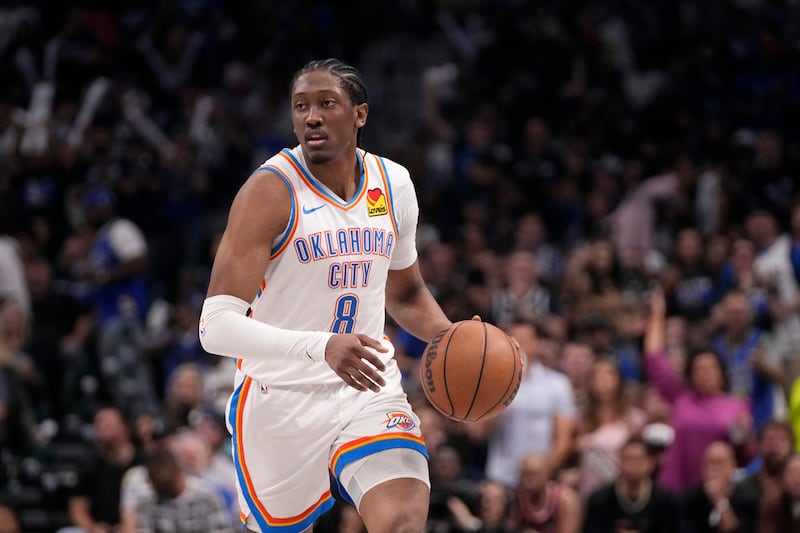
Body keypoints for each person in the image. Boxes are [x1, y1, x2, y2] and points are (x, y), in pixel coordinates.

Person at [198, 58, 457, 533]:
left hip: (368, 386)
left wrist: (454, 339)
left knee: (402, 521)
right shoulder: (269, 191)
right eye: (301, 106)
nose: (311, 117)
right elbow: (214, 327)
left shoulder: (392, 184)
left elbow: (406, 293)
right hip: (281, 398)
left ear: (360, 114)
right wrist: (323, 347)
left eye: (326, 103)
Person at [644, 287, 754, 492]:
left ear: (722, 374)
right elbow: (654, 357)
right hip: (676, 489)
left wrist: (745, 438)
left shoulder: (738, 406)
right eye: (699, 369)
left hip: (717, 490)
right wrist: (658, 316)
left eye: (711, 368)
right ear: (690, 376)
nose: (705, 374)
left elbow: (746, 456)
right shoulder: (681, 397)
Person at [478, 320, 576, 488]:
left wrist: (540, 472)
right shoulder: (492, 383)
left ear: (538, 344)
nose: (519, 344)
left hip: (542, 478)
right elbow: (479, 433)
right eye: (513, 339)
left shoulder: (558, 383)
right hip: (500, 477)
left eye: (525, 339)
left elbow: (563, 441)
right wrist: (503, 386)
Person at [582, 436, 678, 533]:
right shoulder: (600, 499)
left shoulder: (665, 500)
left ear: (651, 463)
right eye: (626, 459)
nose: (631, 466)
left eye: (638, 460)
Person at [678, 441, 739, 533]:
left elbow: (733, 529)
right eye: (710, 463)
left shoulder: (744, 498)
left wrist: (719, 499)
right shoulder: (689, 499)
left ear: (733, 466)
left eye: (720, 463)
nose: (714, 469)